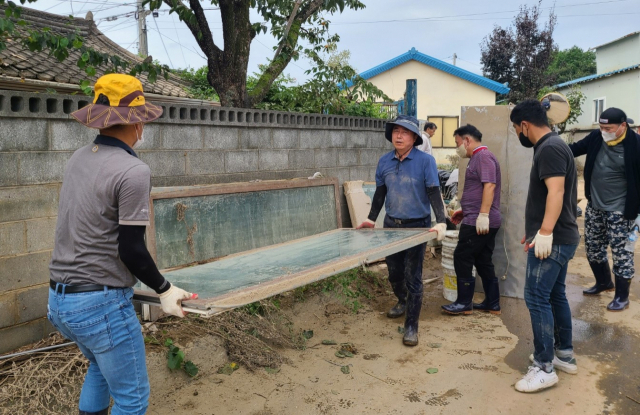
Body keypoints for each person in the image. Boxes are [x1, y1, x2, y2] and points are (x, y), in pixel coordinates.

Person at [47, 74, 196, 415]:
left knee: (100, 366)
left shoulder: (77, 159)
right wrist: (165, 289)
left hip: (60, 302)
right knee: (132, 399)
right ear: (138, 122)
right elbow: (131, 249)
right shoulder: (133, 170)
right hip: (100, 305)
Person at [509, 99, 580, 393]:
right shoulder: (554, 144)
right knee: (555, 295)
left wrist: (546, 232)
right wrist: (535, 230)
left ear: (524, 125)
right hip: (560, 236)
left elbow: (557, 191)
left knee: (536, 297)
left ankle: (543, 366)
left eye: (516, 129)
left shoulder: (549, 148)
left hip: (556, 238)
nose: (517, 134)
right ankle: (563, 354)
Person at [358, 115, 447, 346]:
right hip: (391, 226)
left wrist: (441, 220)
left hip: (418, 226)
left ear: (414, 137)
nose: (398, 135)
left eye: (404, 132)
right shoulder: (384, 161)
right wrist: (370, 219)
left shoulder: (425, 161)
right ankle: (402, 300)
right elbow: (380, 193)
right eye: (395, 131)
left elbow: (433, 191)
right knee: (394, 273)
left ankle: (411, 326)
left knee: (413, 276)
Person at [568, 108, 640, 311]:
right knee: (592, 248)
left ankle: (622, 297)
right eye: (601, 127)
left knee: (621, 253)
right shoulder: (596, 137)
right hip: (595, 206)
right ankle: (604, 282)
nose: (604, 131)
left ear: (623, 126)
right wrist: (549, 143)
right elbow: (572, 149)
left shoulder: (635, 145)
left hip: (621, 210)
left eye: (608, 128)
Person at [443, 124, 502, 315]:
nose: (457, 148)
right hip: (476, 217)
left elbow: (489, 186)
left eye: (457, 143)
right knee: (483, 260)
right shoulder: (477, 158)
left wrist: (482, 215)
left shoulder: (483, 157)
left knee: (462, 257)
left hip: (479, 221)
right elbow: (477, 190)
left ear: (467, 140)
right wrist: (464, 209)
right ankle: (492, 304)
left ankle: (463, 303)